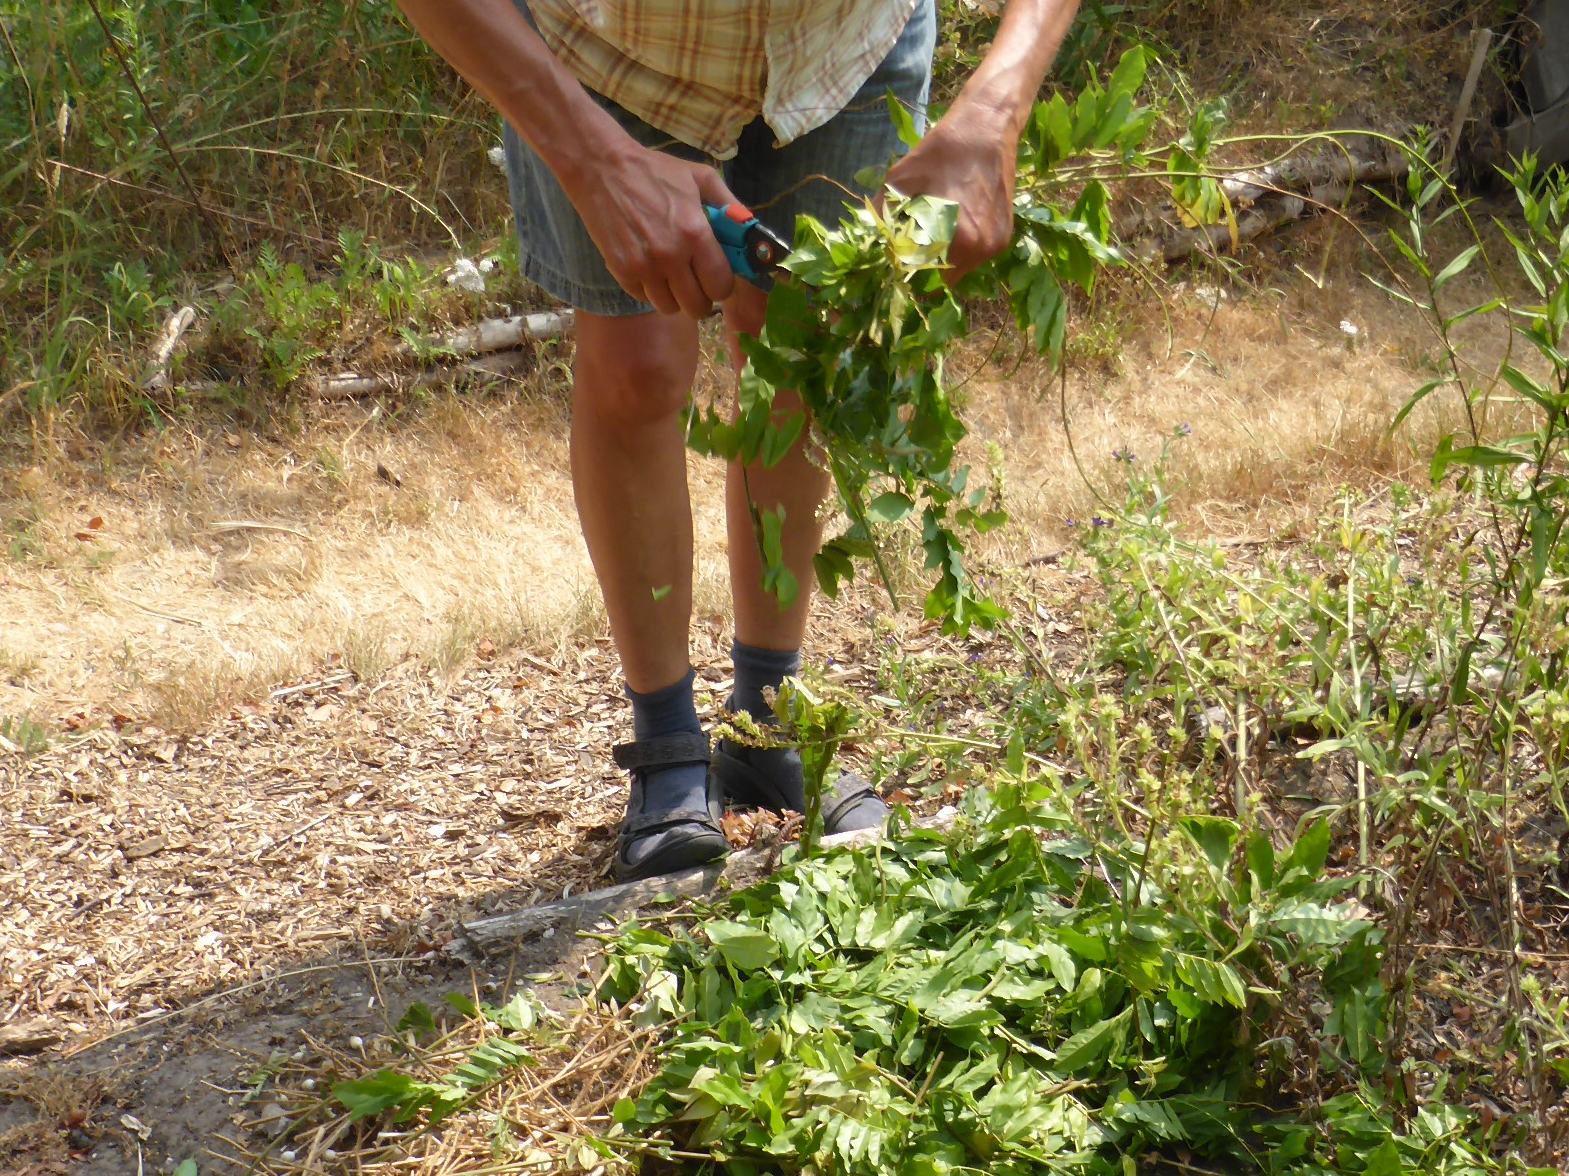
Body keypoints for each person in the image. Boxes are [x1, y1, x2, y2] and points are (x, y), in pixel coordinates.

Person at [395, 0, 1081, 881]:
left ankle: (767, 721)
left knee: (800, 349)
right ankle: (667, 741)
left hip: (843, 49)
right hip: (607, 52)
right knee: (638, 368)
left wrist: (994, 109)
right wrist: (594, 160)